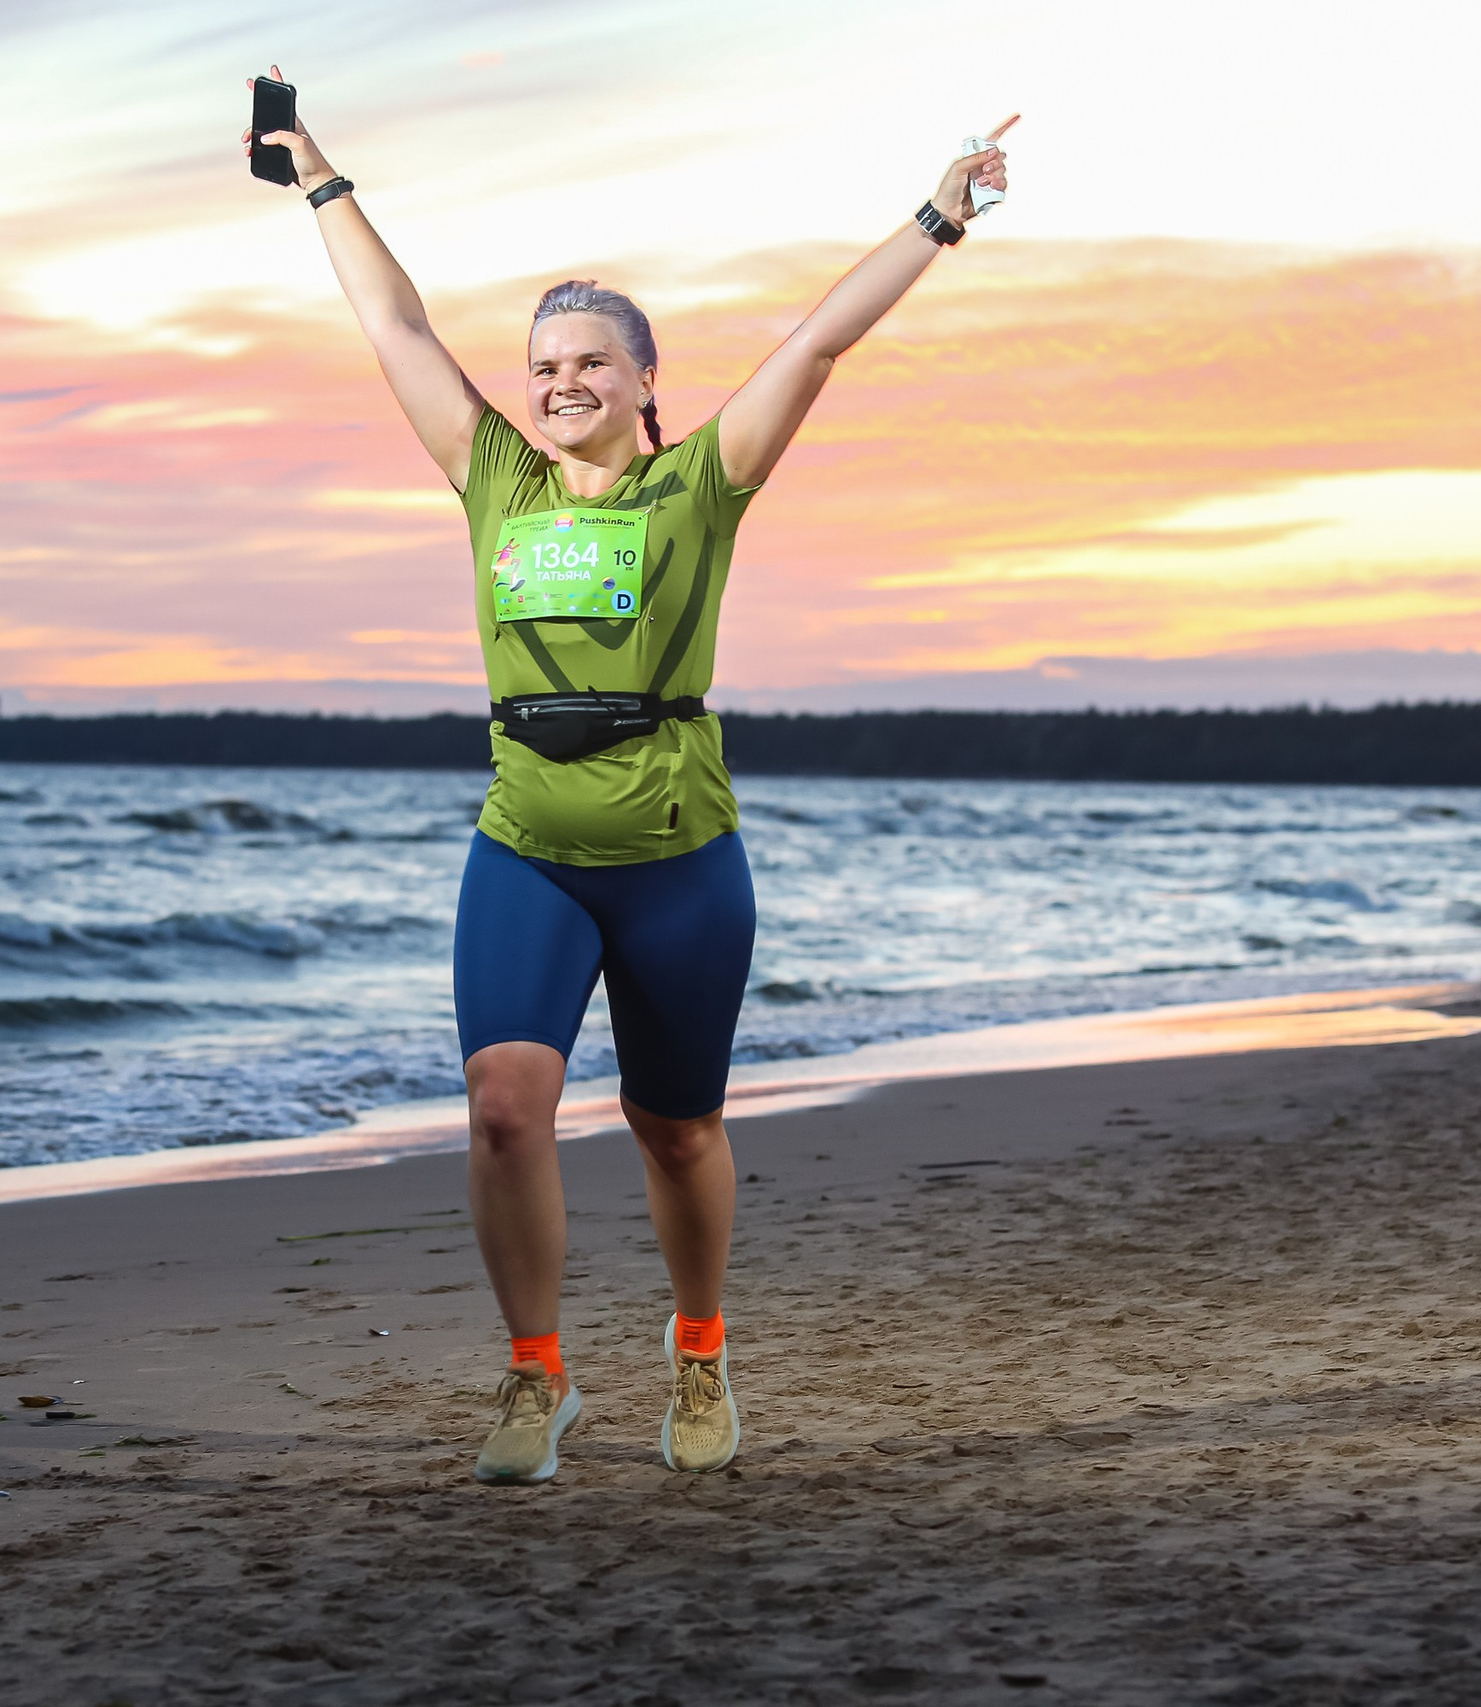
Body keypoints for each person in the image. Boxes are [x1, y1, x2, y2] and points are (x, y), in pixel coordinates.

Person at [250, 74, 1013, 1484]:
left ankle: (704, 1350)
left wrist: (936, 218)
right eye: (545, 365)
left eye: (592, 362)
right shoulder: (496, 478)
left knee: (676, 1131)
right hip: (525, 846)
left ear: (646, 380)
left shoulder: (700, 485)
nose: (561, 383)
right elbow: (396, 326)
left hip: (676, 861)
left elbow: (819, 344)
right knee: (501, 1107)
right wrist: (318, 178)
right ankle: (537, 1378)